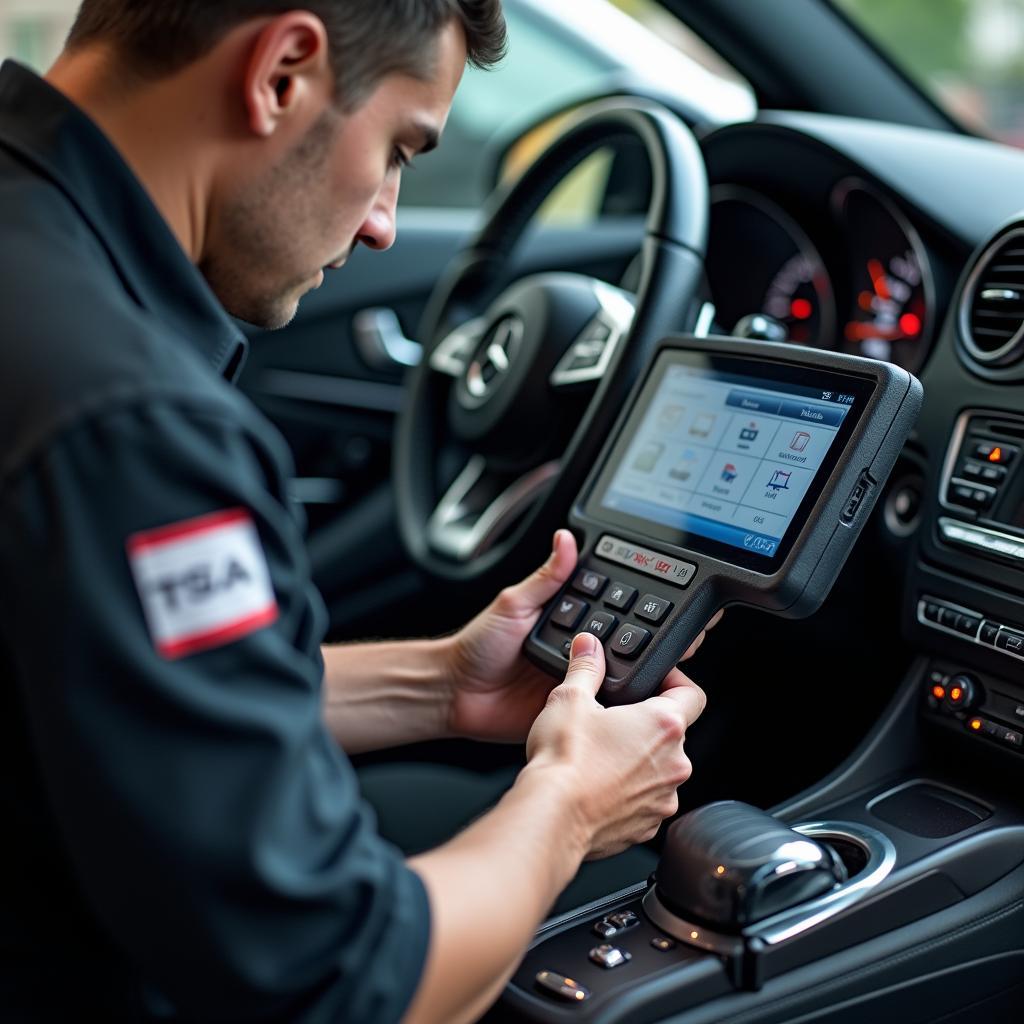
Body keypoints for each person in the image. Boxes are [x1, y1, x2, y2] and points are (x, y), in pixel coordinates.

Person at [0, 2, 715, 1021]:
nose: (383, 218)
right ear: (283, 71)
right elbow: (340, 982)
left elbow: (82, 671)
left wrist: (437, 684)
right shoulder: (134, 423)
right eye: (398, 148)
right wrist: (570, 805)